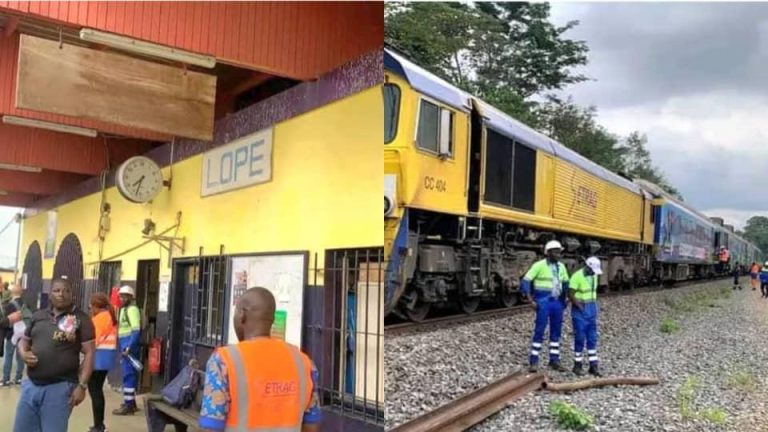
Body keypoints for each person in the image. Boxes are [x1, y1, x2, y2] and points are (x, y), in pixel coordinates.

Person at [198, 287, 321, 432]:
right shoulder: (304, 362)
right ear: (272, 320)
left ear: (242, 315)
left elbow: (211, 427)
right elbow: (311, 426)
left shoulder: (223, 361)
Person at [14, 278, 95, 432]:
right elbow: (24, 340)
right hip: (31, 385)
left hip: (60, 388)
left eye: (66, 291)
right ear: (50, 294)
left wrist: (82, 386)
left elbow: (90, 353)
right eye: (56, 290)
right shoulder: (38, 315)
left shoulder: (82, 319)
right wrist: (23, 353)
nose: (61, 294)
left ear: (72, 294)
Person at [521, 240, 570, 372]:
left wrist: (566, 298)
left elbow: (566, 283)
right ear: (548, 253)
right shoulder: (539, 265)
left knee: (556, 331)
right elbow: (526, 281)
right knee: (539, 330)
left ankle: (554, 360)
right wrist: (530, 300)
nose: (558, 255)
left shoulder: (561, 267)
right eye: (555, 252)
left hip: (557, 302)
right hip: (543, 301)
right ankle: (533, 361)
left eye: (559, 252)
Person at [88, 292, 118, 432]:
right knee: (97, 390)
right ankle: (99, 424)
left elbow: (95, 339)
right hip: (107, 357)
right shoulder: (109, 316)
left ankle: (99, 425)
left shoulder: (99, 318)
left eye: (91, 306)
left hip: (98, 357)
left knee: (95, 391)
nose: (90, 309)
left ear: (95, 306)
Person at [569, 257, 603, 377]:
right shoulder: (576, 276)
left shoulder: (593, 276)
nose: (594, 273)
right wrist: (579, 306)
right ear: (587, 267)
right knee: (579, 338)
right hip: (580, 312)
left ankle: (593, 366)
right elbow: (570, 294)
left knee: (592, 339)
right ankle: (577, 365)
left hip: (591, 310)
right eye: (592, 270)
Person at [113, 285, 141, 416]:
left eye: (125, 297)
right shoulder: (123, 309)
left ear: (131, 297)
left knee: (128, 375)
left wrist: (129, 347)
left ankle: (128, 405)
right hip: (124, 345)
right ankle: (131, 403)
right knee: (129, 374)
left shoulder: (132, 310)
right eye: (121, 296)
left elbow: (135, 330)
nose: (122, 299)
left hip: (129, 347)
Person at [2, 284, 28, 386]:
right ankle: (18, 378)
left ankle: (6, 379)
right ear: (21, 292)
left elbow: (5, 322)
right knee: (20, 357)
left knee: (8, 356)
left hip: (11, 335)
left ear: (12, 293)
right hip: (24, 335)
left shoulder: (8, 305)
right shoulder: (26, 304)